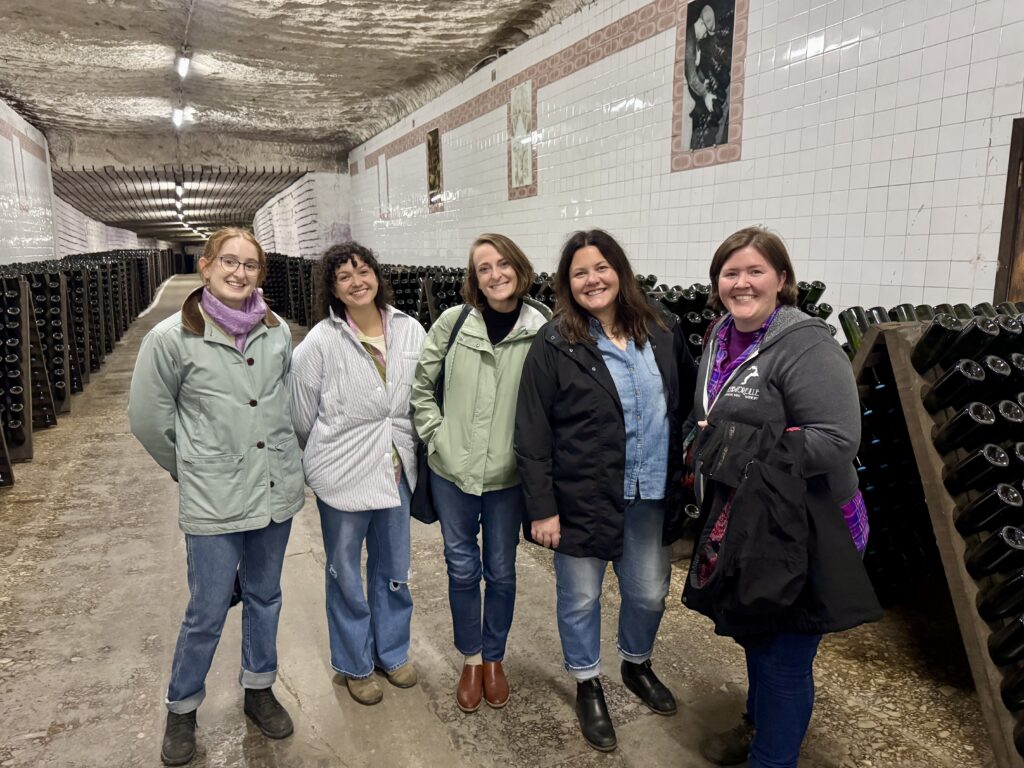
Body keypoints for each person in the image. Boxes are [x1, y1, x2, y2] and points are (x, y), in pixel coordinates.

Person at [684, 226, 881, 768]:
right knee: (757, 634)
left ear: (782, 280)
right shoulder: (720, 334)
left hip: (809, 524)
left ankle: (773, 760)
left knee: (784, 658)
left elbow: (839, 440)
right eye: (730, 272)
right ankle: (757, 727)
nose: (741, 282)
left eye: (755, 271)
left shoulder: (806, 343)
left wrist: (735, 446)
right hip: (750, 516)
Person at [515, 229, 696, 752]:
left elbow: (685, 401)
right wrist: (543, 509)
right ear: (566, 284)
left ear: (619, 270)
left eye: (601, 268)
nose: (592, 279)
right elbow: (531, 432)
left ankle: (636, 664)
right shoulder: (555, 343)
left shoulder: (661, 329)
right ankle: (587, 681)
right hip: (581, 496)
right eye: (579, 273)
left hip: (651, 492)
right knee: (581, 597)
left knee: (648, 591)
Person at [129, 227, 304, 766]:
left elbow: (284, 403)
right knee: (206, 608)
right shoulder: (171, 338)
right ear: (205, 268)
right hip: (214, 499)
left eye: (250, 265)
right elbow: (148, 421)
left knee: (265, 595)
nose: (239, 273)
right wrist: (195, 468)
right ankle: (181, 708)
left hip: (274, 491)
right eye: (228, 262)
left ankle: (258, 689)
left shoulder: (276, 332)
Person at [411, 234, 551, 713]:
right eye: (484, 268)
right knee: (462, 567)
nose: (495, 275)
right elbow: (421, 389)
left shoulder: (542, 328)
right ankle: (471, 658)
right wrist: (437, 437)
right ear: (474, 278)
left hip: (509, 479)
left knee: (503, 570)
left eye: (503, 264)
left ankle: (495, 657)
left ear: (520, 267)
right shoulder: (453, 323)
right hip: (453, 474)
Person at [289, 241, 425, 706]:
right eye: (344, 276)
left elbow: (422, 395)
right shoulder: (320, 343)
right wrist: (328, 455)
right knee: (345, 571)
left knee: (393, 569)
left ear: (377, 275)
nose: (357, 281)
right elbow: (302, 416)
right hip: (342, 476)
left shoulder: (410, 330)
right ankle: (354, 663)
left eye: (363, 271)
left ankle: (392, 652)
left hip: (395, 471)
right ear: (331, 287)